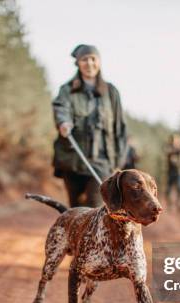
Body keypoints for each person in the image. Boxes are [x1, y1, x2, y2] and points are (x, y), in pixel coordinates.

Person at [52, 44, 127, 207]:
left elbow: (120, 129)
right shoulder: (67, 90)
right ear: (78, 63)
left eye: (93, 59)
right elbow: (60, 108)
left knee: (95, 206)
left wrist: (118, 163)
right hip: (73, 159)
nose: (89, 63)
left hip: (102, 162)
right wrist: (63, 122)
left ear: (99, 62)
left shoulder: (111, 92)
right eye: (84, 59)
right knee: (76, 210)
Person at [165, 133, 180, 209]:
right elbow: (168, 153)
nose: (175, 142)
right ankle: (170, 204)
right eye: (174, 140)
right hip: (171, 172)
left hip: (179, 172)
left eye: (177, 140)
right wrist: (176, 150)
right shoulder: (169, 148)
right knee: (168, 190)